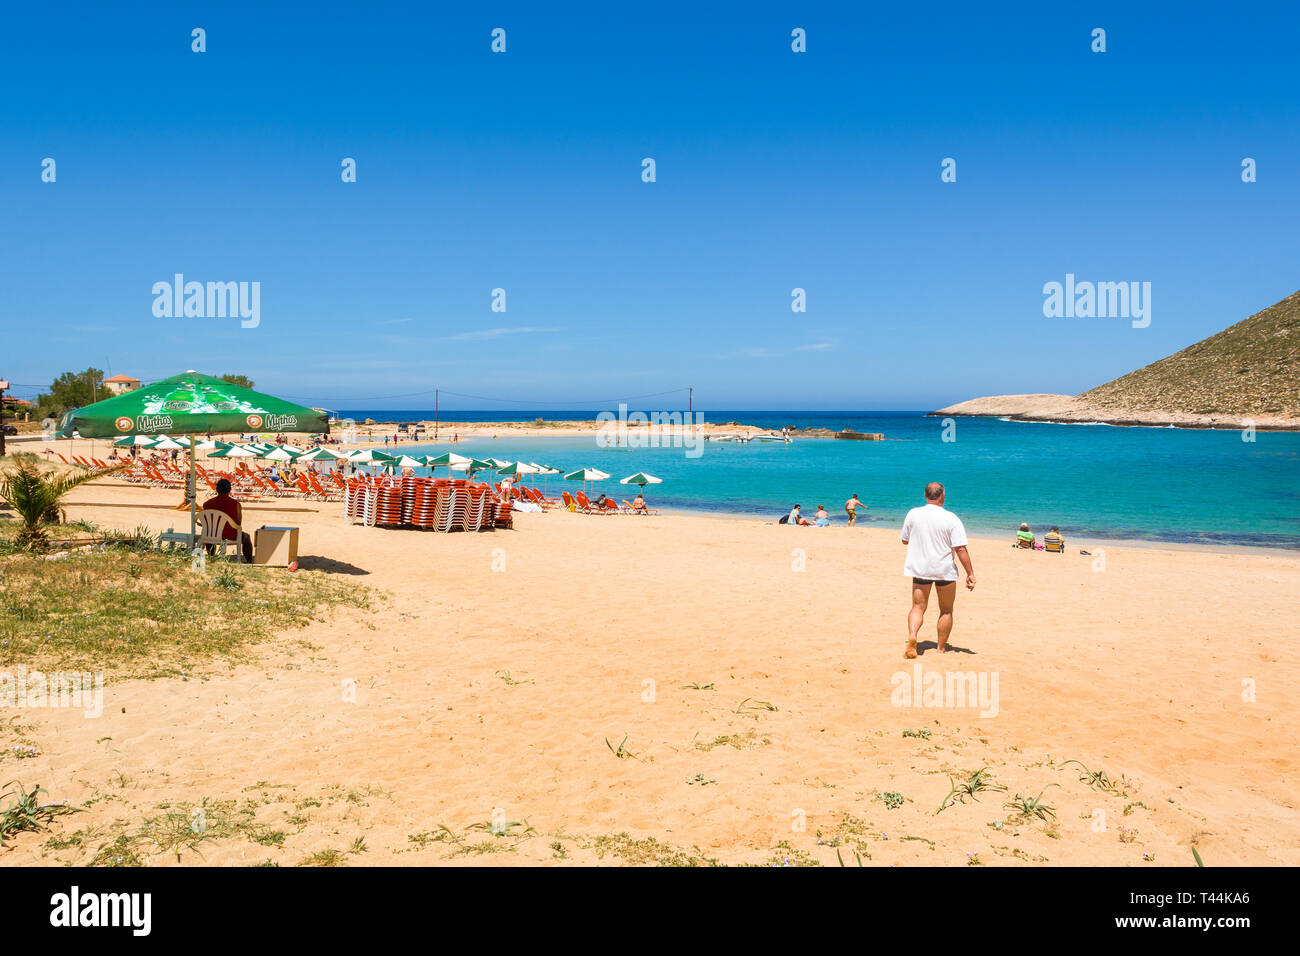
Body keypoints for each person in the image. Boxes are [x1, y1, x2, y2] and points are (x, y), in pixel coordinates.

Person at [900, 482, 975, 658]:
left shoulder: (913, 514)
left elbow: (904, 540)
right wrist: (970, 573)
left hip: (920, 569)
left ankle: (912, 636)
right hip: (944, 570)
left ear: (925, 496)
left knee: (918, 607)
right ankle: (941, 648)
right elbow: (960, 548)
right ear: (942, 496)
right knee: (946, 610)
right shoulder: (951, 518)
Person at [202, 478, 254, 562]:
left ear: (216, 489)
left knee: (210, 532)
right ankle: (249, 561)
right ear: (229, 490)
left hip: (211, 534)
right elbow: (238, 524)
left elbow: (205, 521)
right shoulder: (236, 504)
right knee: (246, 537)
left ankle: (211, 557)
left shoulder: (207, 504)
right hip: (229, 535)